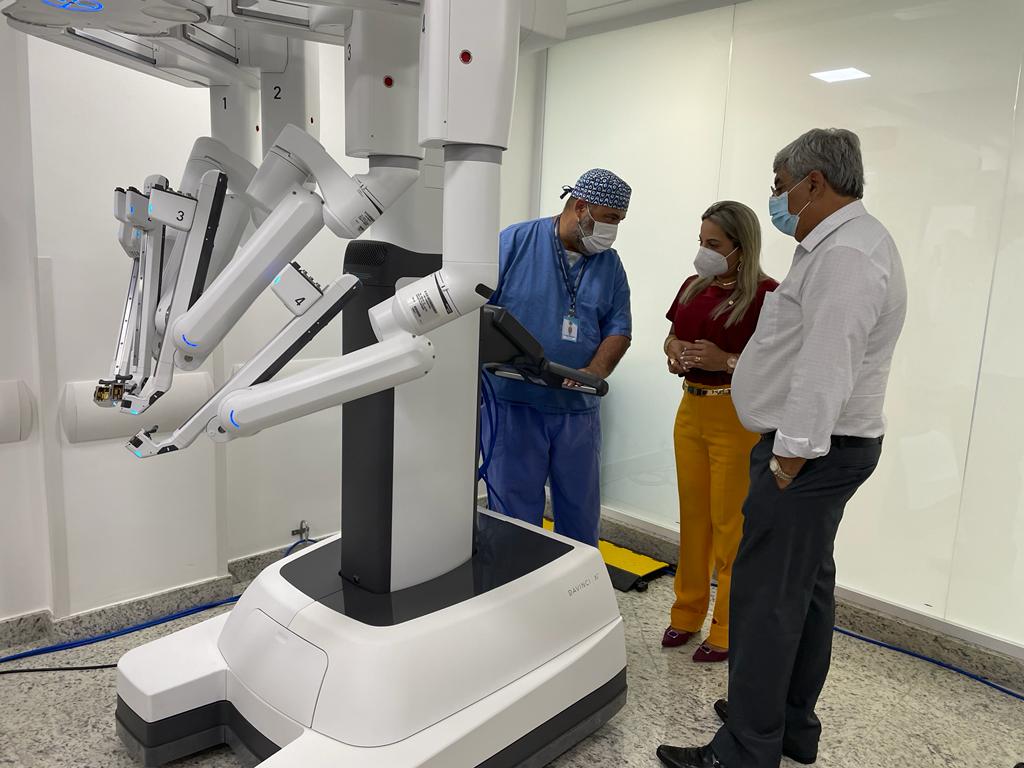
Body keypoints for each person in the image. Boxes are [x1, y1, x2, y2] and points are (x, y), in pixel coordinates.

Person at [657, 128, 907, 768]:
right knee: (805, 590)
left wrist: (789, 457)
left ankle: (747, 747)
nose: (777, 199)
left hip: (811, 453)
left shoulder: (846, 255)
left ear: (814, 183)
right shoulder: (841, 245)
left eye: (780, 186)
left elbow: (827, 363)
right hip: (825, 447)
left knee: (766, 597)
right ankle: (786, 723)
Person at [482, 169, 632, 546]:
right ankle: (516, 579)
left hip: (577, 409)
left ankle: (576, 582)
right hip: (514, 404)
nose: (613, 229)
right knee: (515, 516)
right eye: (609, 218)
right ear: (580, 207)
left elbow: (619, 327)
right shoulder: (514, 243)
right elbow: (479, 312)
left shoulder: (609, 265)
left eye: (619, 221)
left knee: (580, 514)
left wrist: (593, 372)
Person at [661, 201, 778, 663]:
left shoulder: (767, 296)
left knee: (730, 527)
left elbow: (775, 364)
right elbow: (671, 334)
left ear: (740, 247)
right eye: (701, 242)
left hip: (734, 416)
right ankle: (686, 612)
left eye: (714, 244)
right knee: (693, 520)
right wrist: (674, 350)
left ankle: (726, 628)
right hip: (690, 409)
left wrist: (726, 361)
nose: (703, 252)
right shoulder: (693, 286)